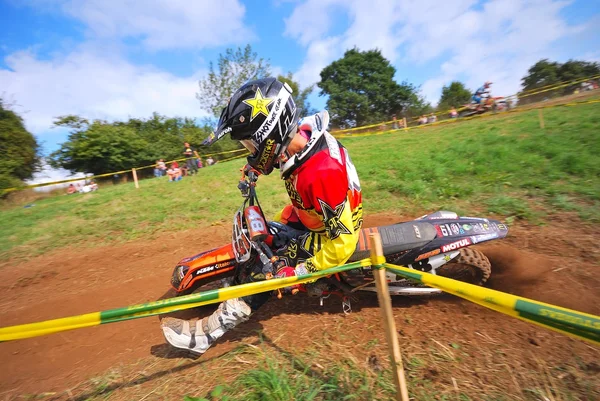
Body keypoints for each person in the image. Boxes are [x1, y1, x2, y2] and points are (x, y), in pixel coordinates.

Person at [161, 77, 363, 355]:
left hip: (330, 237)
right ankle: (237, 282)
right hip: (311, 216)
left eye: (249, 144)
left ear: (268, 135)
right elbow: (282, 154)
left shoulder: (320, 173)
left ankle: (208, 333)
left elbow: (345, 241)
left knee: (269, 269)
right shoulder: (303, 135)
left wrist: (300, 271)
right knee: (266, 234)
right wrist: (255, 168)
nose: (250, 152)